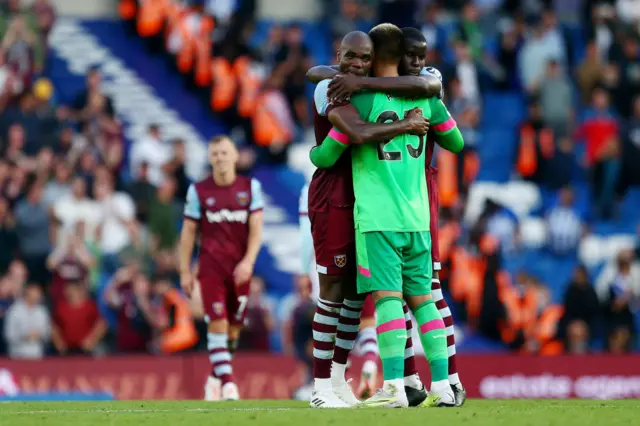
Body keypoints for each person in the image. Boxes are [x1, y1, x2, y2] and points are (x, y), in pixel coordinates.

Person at [306, 27, 466, 406]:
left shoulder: (363, 98)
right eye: (352, 57)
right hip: (413, 207)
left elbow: (328, 154)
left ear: (376, 58)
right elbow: (456, 142)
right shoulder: (425, 92)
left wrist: (313, 155)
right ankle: (439, 383)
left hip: (374, 211)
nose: (358, 64)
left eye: (365, 58)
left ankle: (390, 383)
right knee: (420, 297)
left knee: (382, 298)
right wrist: (417, 115)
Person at [179, 135, 264, 401]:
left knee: (233, 330)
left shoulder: (251, 188)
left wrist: (248, 262)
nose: (220, 158)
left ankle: (215, 378)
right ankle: (229, 384)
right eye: (215, 153)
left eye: (224, 153)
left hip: (239, 270)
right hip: (210, 269)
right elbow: (188, 233)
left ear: (235, 156)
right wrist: (184, 270)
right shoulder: (198, 191)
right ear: (209, 158)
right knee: (217, 322)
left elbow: (256, 231)